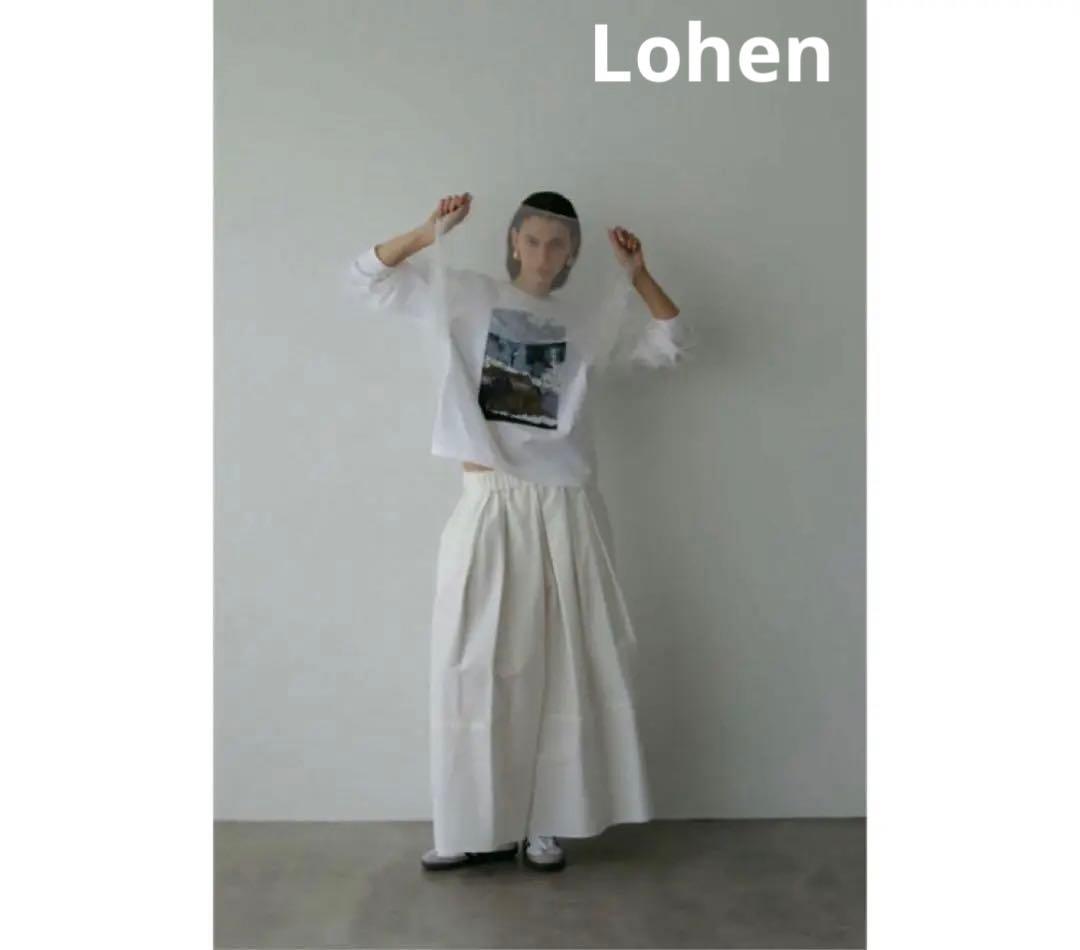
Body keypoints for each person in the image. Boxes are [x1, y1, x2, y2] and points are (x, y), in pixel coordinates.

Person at [348, 191, 689, 872]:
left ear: (572, 254)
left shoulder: (585, 324)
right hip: (488, 499)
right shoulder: (469, 297)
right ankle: (474, 825)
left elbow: (672, 339)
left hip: (564, 507)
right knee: (470, 661)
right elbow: (366, 277)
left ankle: (547, 822)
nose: (542, 254)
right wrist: (426, 233)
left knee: (563, 664)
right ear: (512, 242)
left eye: (557, 244)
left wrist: (639, 274)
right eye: (531, 240)